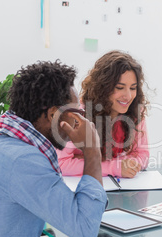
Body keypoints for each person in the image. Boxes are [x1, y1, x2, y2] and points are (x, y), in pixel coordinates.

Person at [0, 60, 107, 237]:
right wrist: (92, 150)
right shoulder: (24, 162)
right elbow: (85, 229)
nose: (79, 121)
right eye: (75, 113)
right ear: (53, 114)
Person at [58, 50, 149, 178]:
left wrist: (131, 164)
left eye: (133, 88)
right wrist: (113, 166)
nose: (128, 96)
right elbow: (61, 164)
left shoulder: (135, 111)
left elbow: (143, 154)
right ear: (103, 87)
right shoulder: (79, 114)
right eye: (119, 87)